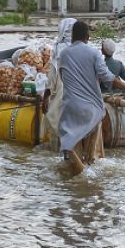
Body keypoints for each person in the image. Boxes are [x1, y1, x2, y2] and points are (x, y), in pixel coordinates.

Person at [57, 21, 125, 175]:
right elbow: (106, 76)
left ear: (72, 36)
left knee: (70, 147)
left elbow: (63, 77)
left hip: (70, 110)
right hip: (92, 111)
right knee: (92, 159)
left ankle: (77, 174)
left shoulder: (63, 54)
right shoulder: (93, 53)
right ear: (88, 36)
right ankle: (88, 176)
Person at [42, 17, 76, 149]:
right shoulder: (82, 48)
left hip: (63, 96)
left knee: (56, 120)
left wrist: (45, 97)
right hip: (79, 96)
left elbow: (51, 77)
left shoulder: (59, 50)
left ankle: (60, 150)